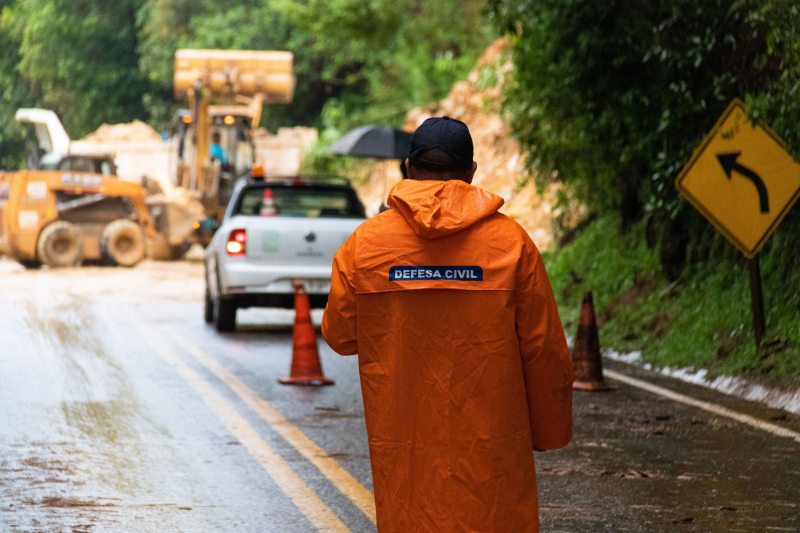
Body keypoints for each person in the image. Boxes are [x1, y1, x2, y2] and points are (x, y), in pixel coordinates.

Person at [322, 116, 574, 533]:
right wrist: (549, 432)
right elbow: (543, 349)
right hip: (491, 456)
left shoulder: (365, 246)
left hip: (406, 453)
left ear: (408, 168)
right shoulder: (512, 244)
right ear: (472, 173)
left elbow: (342, 336)